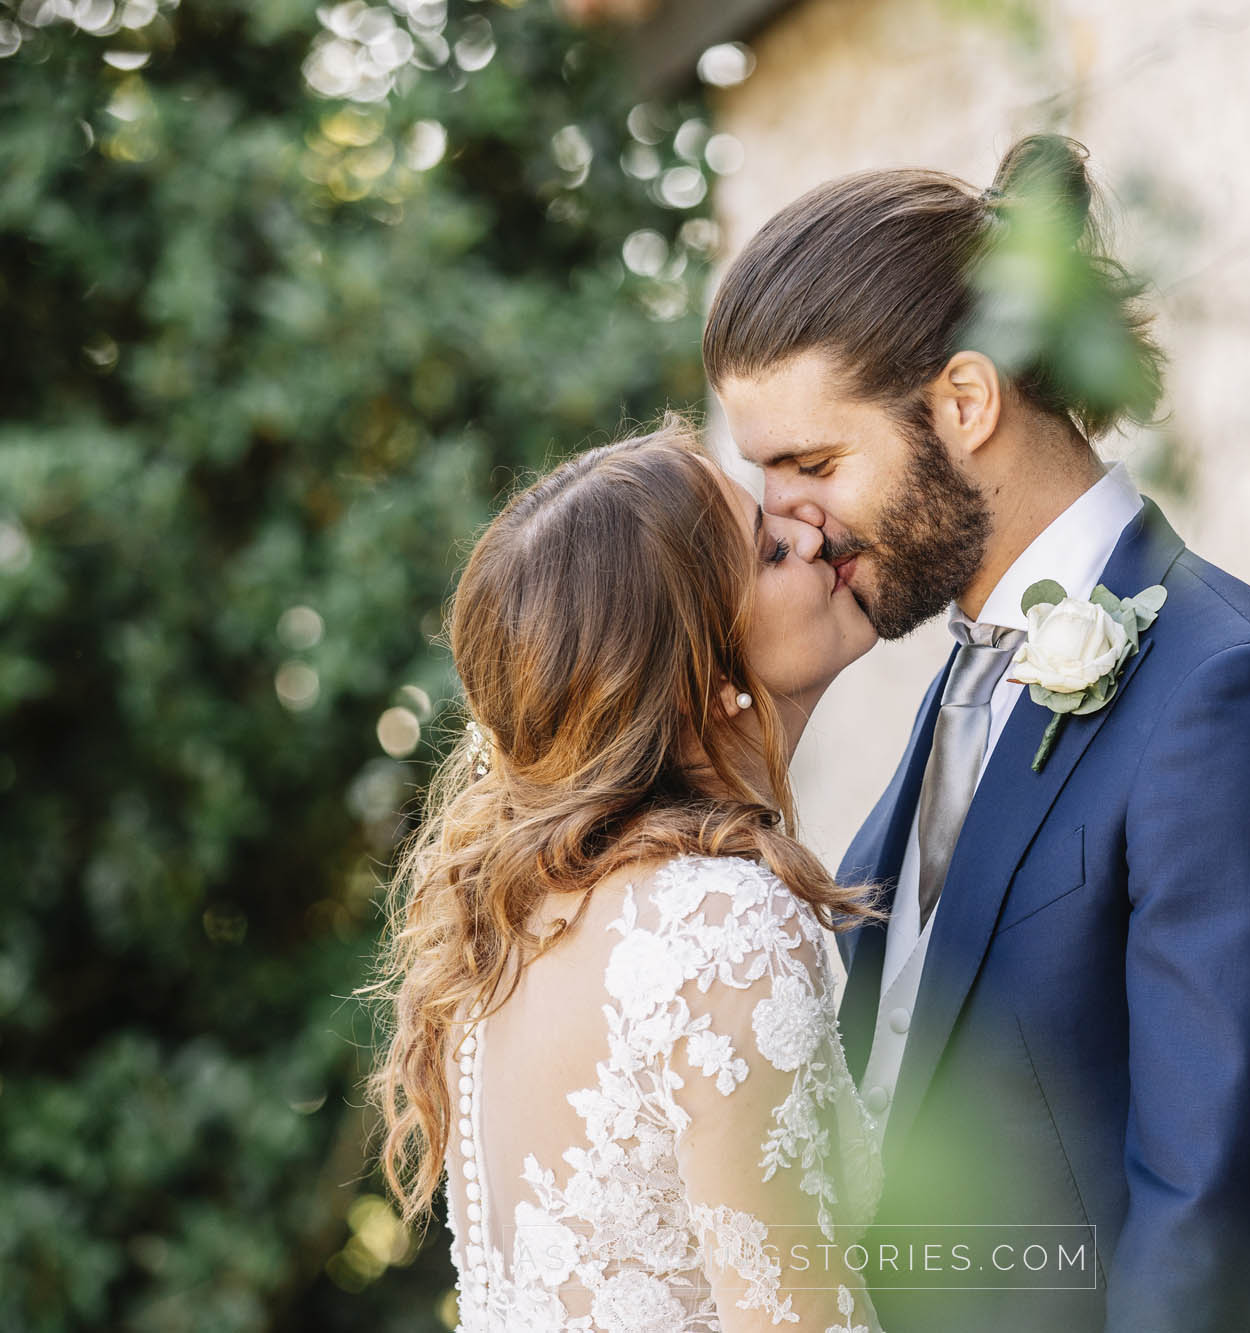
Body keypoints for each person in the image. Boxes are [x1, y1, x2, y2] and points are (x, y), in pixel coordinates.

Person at [704, 134, 1250, 1332]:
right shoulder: (961, 670)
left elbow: (1215, 1244)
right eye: (764, 478)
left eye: (810, 463)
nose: (789, 527)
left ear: (964, 403)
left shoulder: (1230, 696)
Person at [363, 419, 890, 1332]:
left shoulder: (515, 940)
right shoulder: (718, 929)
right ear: (698, 674)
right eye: (770, 550)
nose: (810, 532)